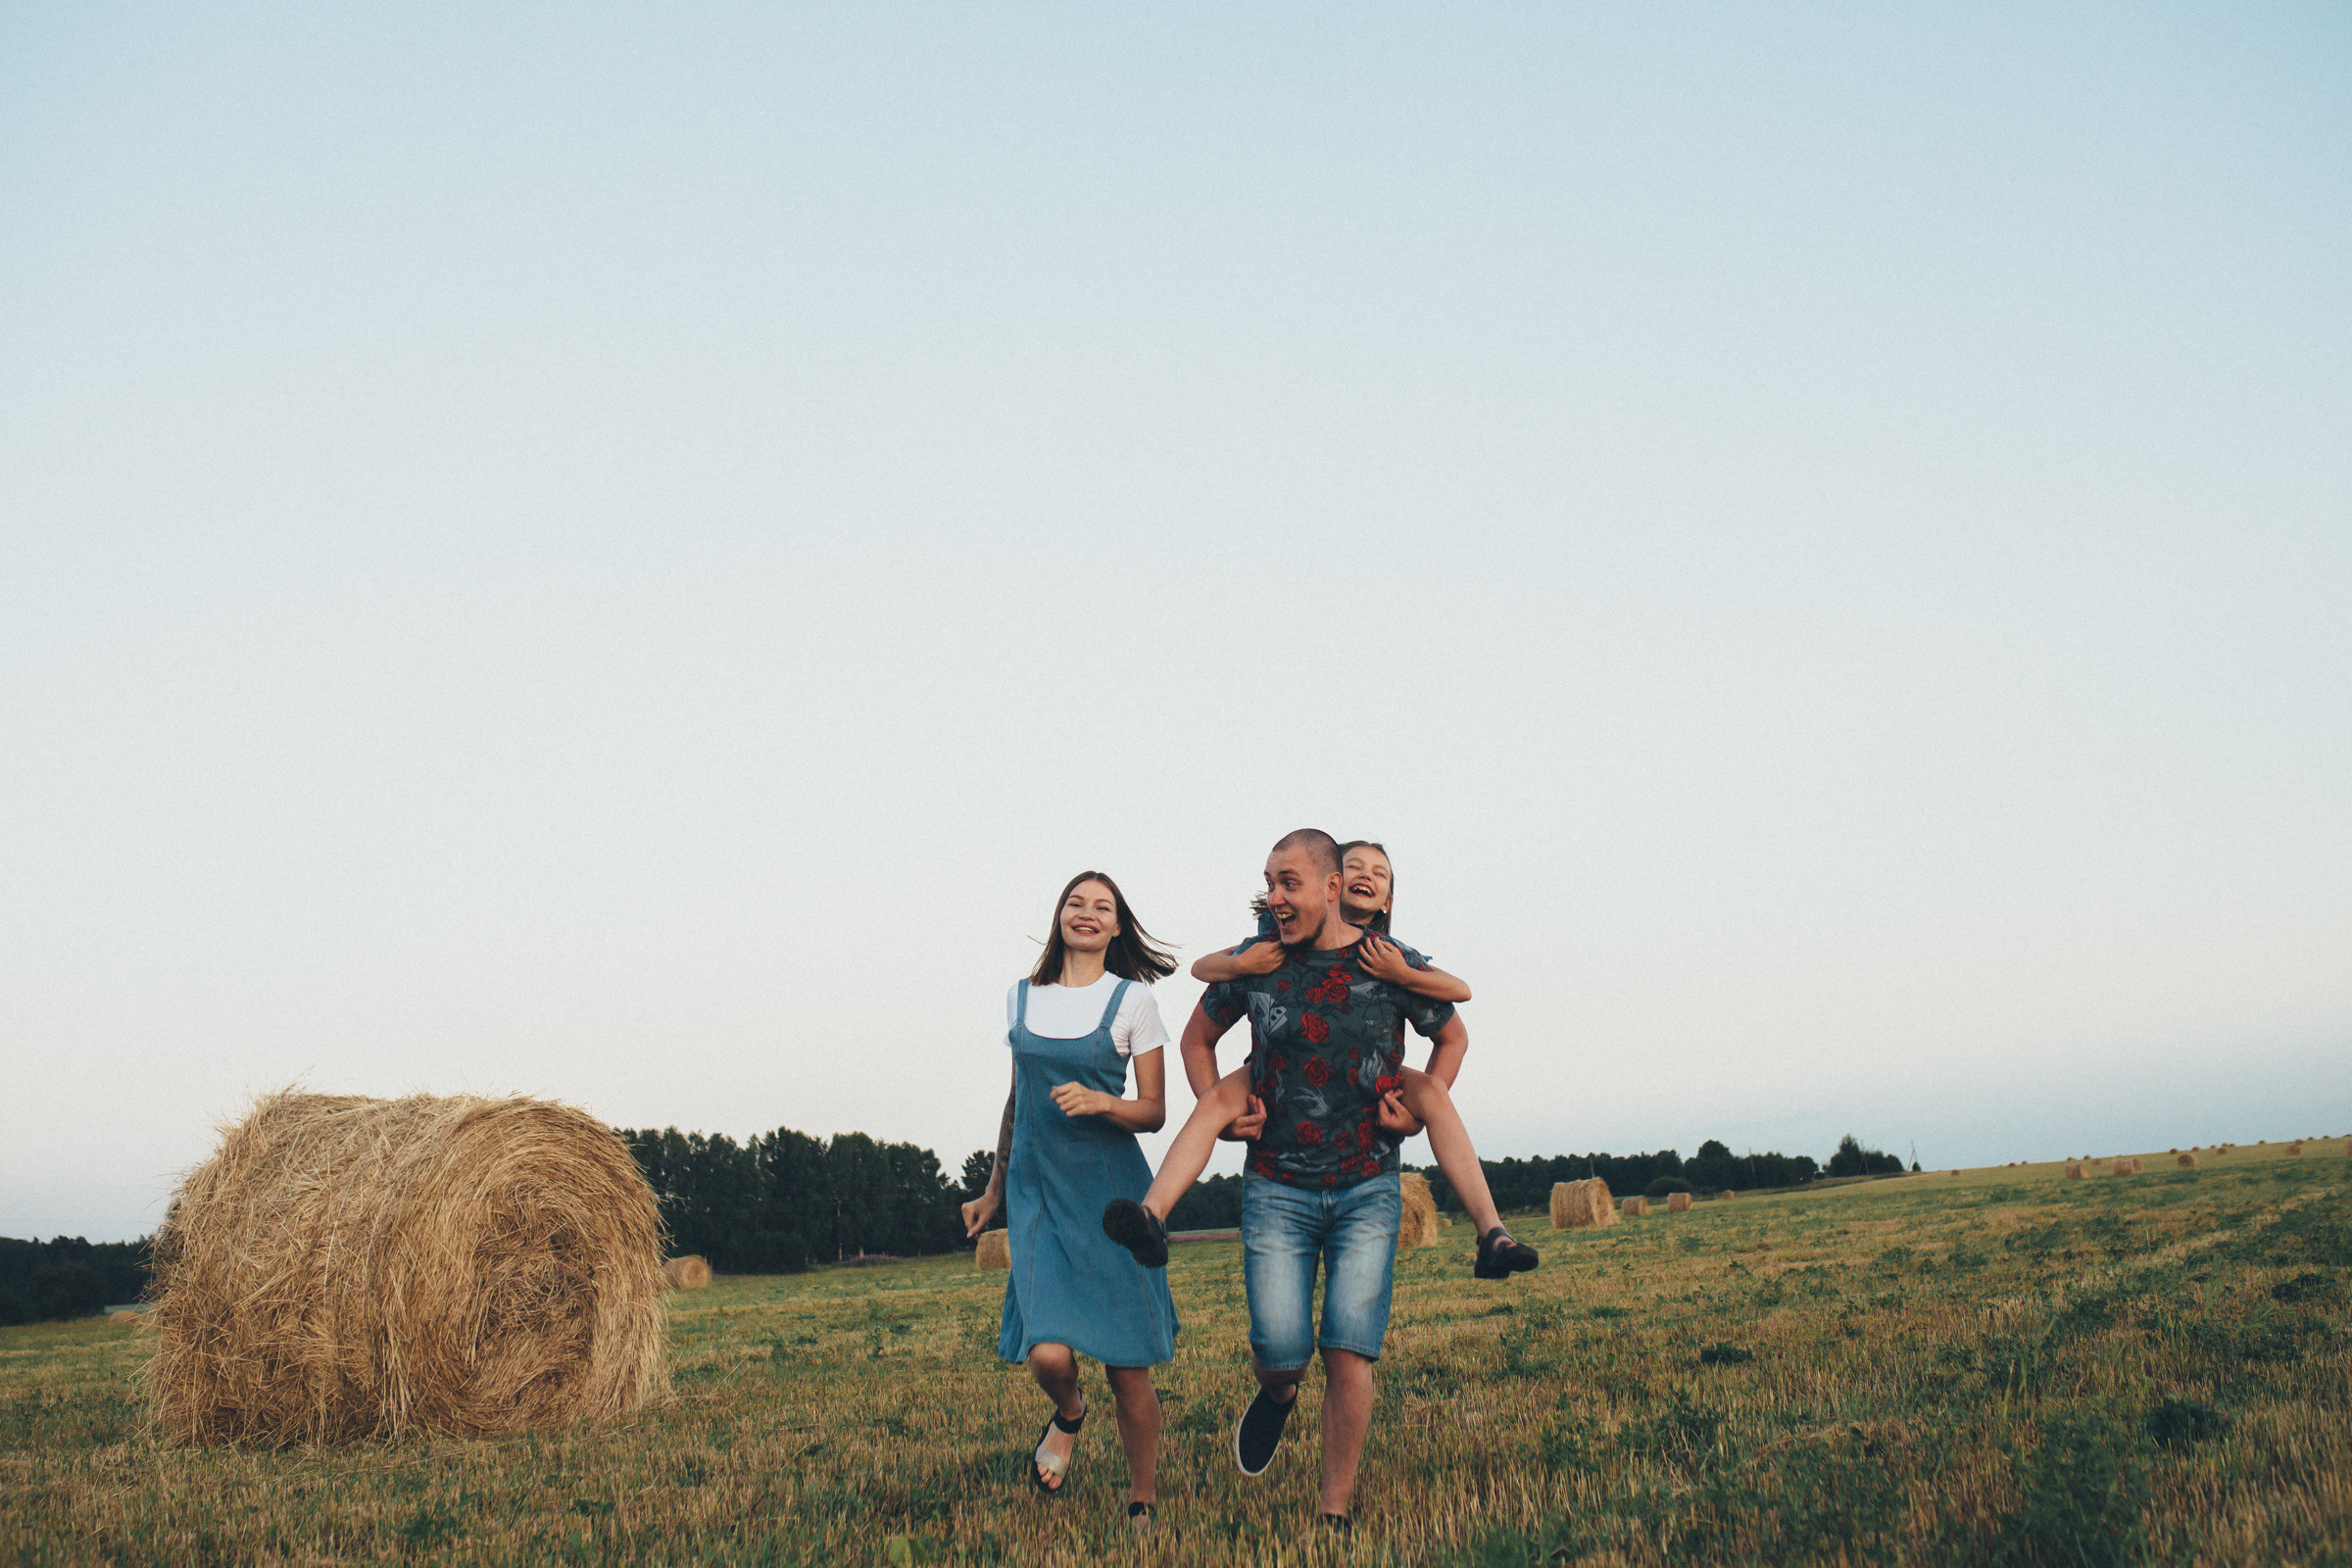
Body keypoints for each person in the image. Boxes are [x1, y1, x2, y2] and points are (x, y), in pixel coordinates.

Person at [1102, 829, 1460, 1533]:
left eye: (1288, 881)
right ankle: (1277, 1393)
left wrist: (1419, 1111)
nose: (1274, 894)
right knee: (1281, 1352)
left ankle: (1333, 1512)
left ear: (1328, 887)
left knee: (1350, 1353)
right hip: (1277, 1189)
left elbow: (1452, 1030)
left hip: (1367, 1186)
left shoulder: (1389, 963)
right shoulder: (1258, 959)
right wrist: (1225, 1112)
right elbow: (1198, 1038)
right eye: (1269, 882)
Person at [1181, 839, 1540, 1278]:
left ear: (1387, 900)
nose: (1367, 875)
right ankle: (1153, 1214)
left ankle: (1492, 1232)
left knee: (1431, 1091)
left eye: (1380, 873)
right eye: (1356, 867)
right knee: (1218, 1100)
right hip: (1283, 1089)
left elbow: (1459, 1004)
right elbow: (1200, 978)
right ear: (1331, 883)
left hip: (1365, 1093)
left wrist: (1414, 1114)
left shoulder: (1387, 958)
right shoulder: (1271, 942)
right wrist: (1239, 967)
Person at [961, 870, 1180, 1533]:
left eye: (1102, 907)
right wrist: (995, 1190)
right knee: (1048, 1355)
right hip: (1037, 1195)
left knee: (1128, 1369)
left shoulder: (1133, 1002)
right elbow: (1017, 1100)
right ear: (1060, 917)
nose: (1087, 914)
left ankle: (1140, 1499)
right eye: (1076, 904)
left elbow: (1154, 1112)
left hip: (1111, 1197)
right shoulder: (1021, 999)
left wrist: (1101, 1102)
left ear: (1117, 927)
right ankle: (1069, 1412)